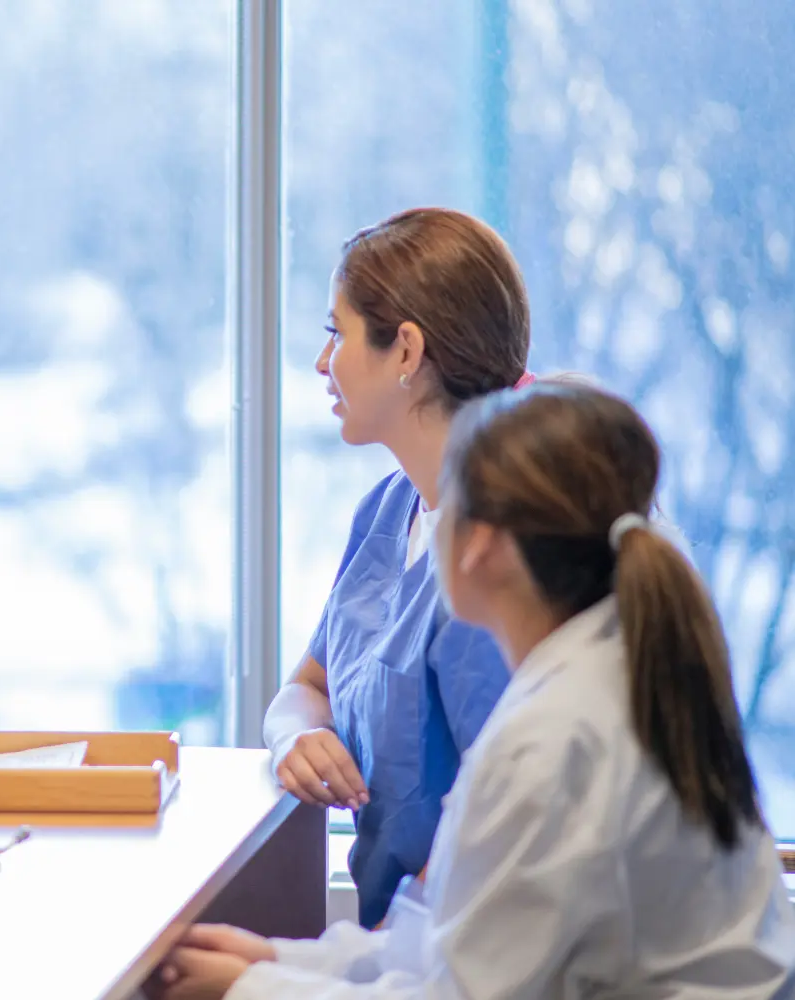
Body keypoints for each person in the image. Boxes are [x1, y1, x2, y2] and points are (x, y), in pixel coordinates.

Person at [154, 383, 795, 999]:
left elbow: (466, 988)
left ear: (481, 545)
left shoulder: (554, 738)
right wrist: (281, 960)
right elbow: (464, 943)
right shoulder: (603, 672)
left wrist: (255, 989)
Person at [264, 208, 526, 928]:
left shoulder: (499, 558)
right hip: (393, 941)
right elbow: (306, 686)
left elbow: (501, 856)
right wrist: (296, 736)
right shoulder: (387, 512)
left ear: (405, 350)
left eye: (336, 333)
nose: (323, 362)